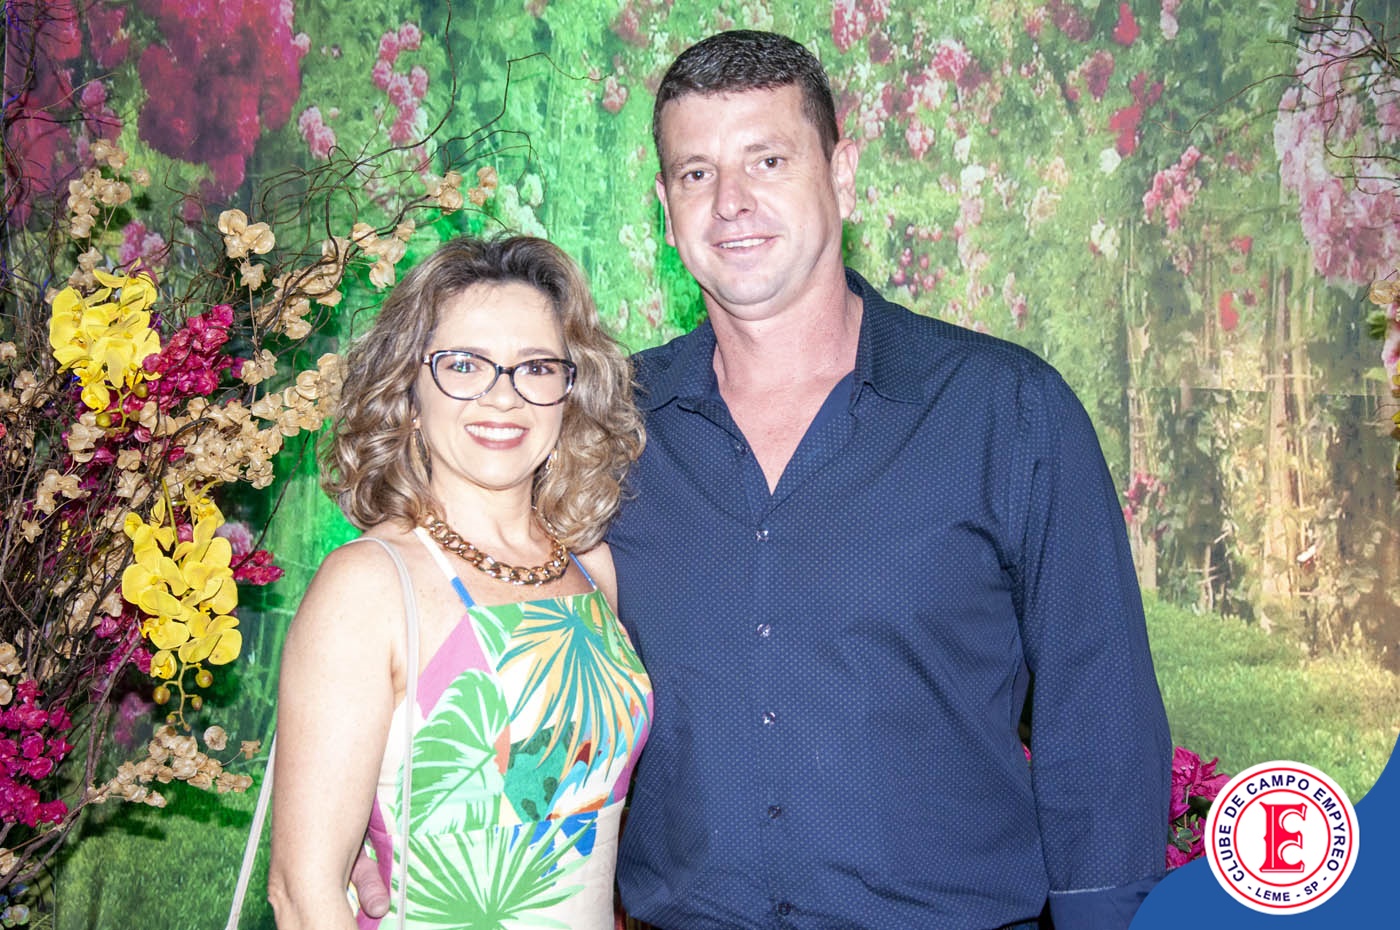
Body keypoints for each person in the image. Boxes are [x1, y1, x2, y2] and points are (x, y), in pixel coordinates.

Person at [602, 31, 1171, 930]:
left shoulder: (1007, 411)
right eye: (696, 173)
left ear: (843, 173)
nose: (732, 202)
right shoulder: (607, 428)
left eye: (767, 160)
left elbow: (1100, 713)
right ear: (667, 209)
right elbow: (488, 618)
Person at [267, 235, 651, 930]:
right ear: (409, 389)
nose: (503, 397)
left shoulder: (591, 567)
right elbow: (302, 894)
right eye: (464, 365)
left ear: (569, 392)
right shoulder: (368, 586)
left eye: (535, 367)